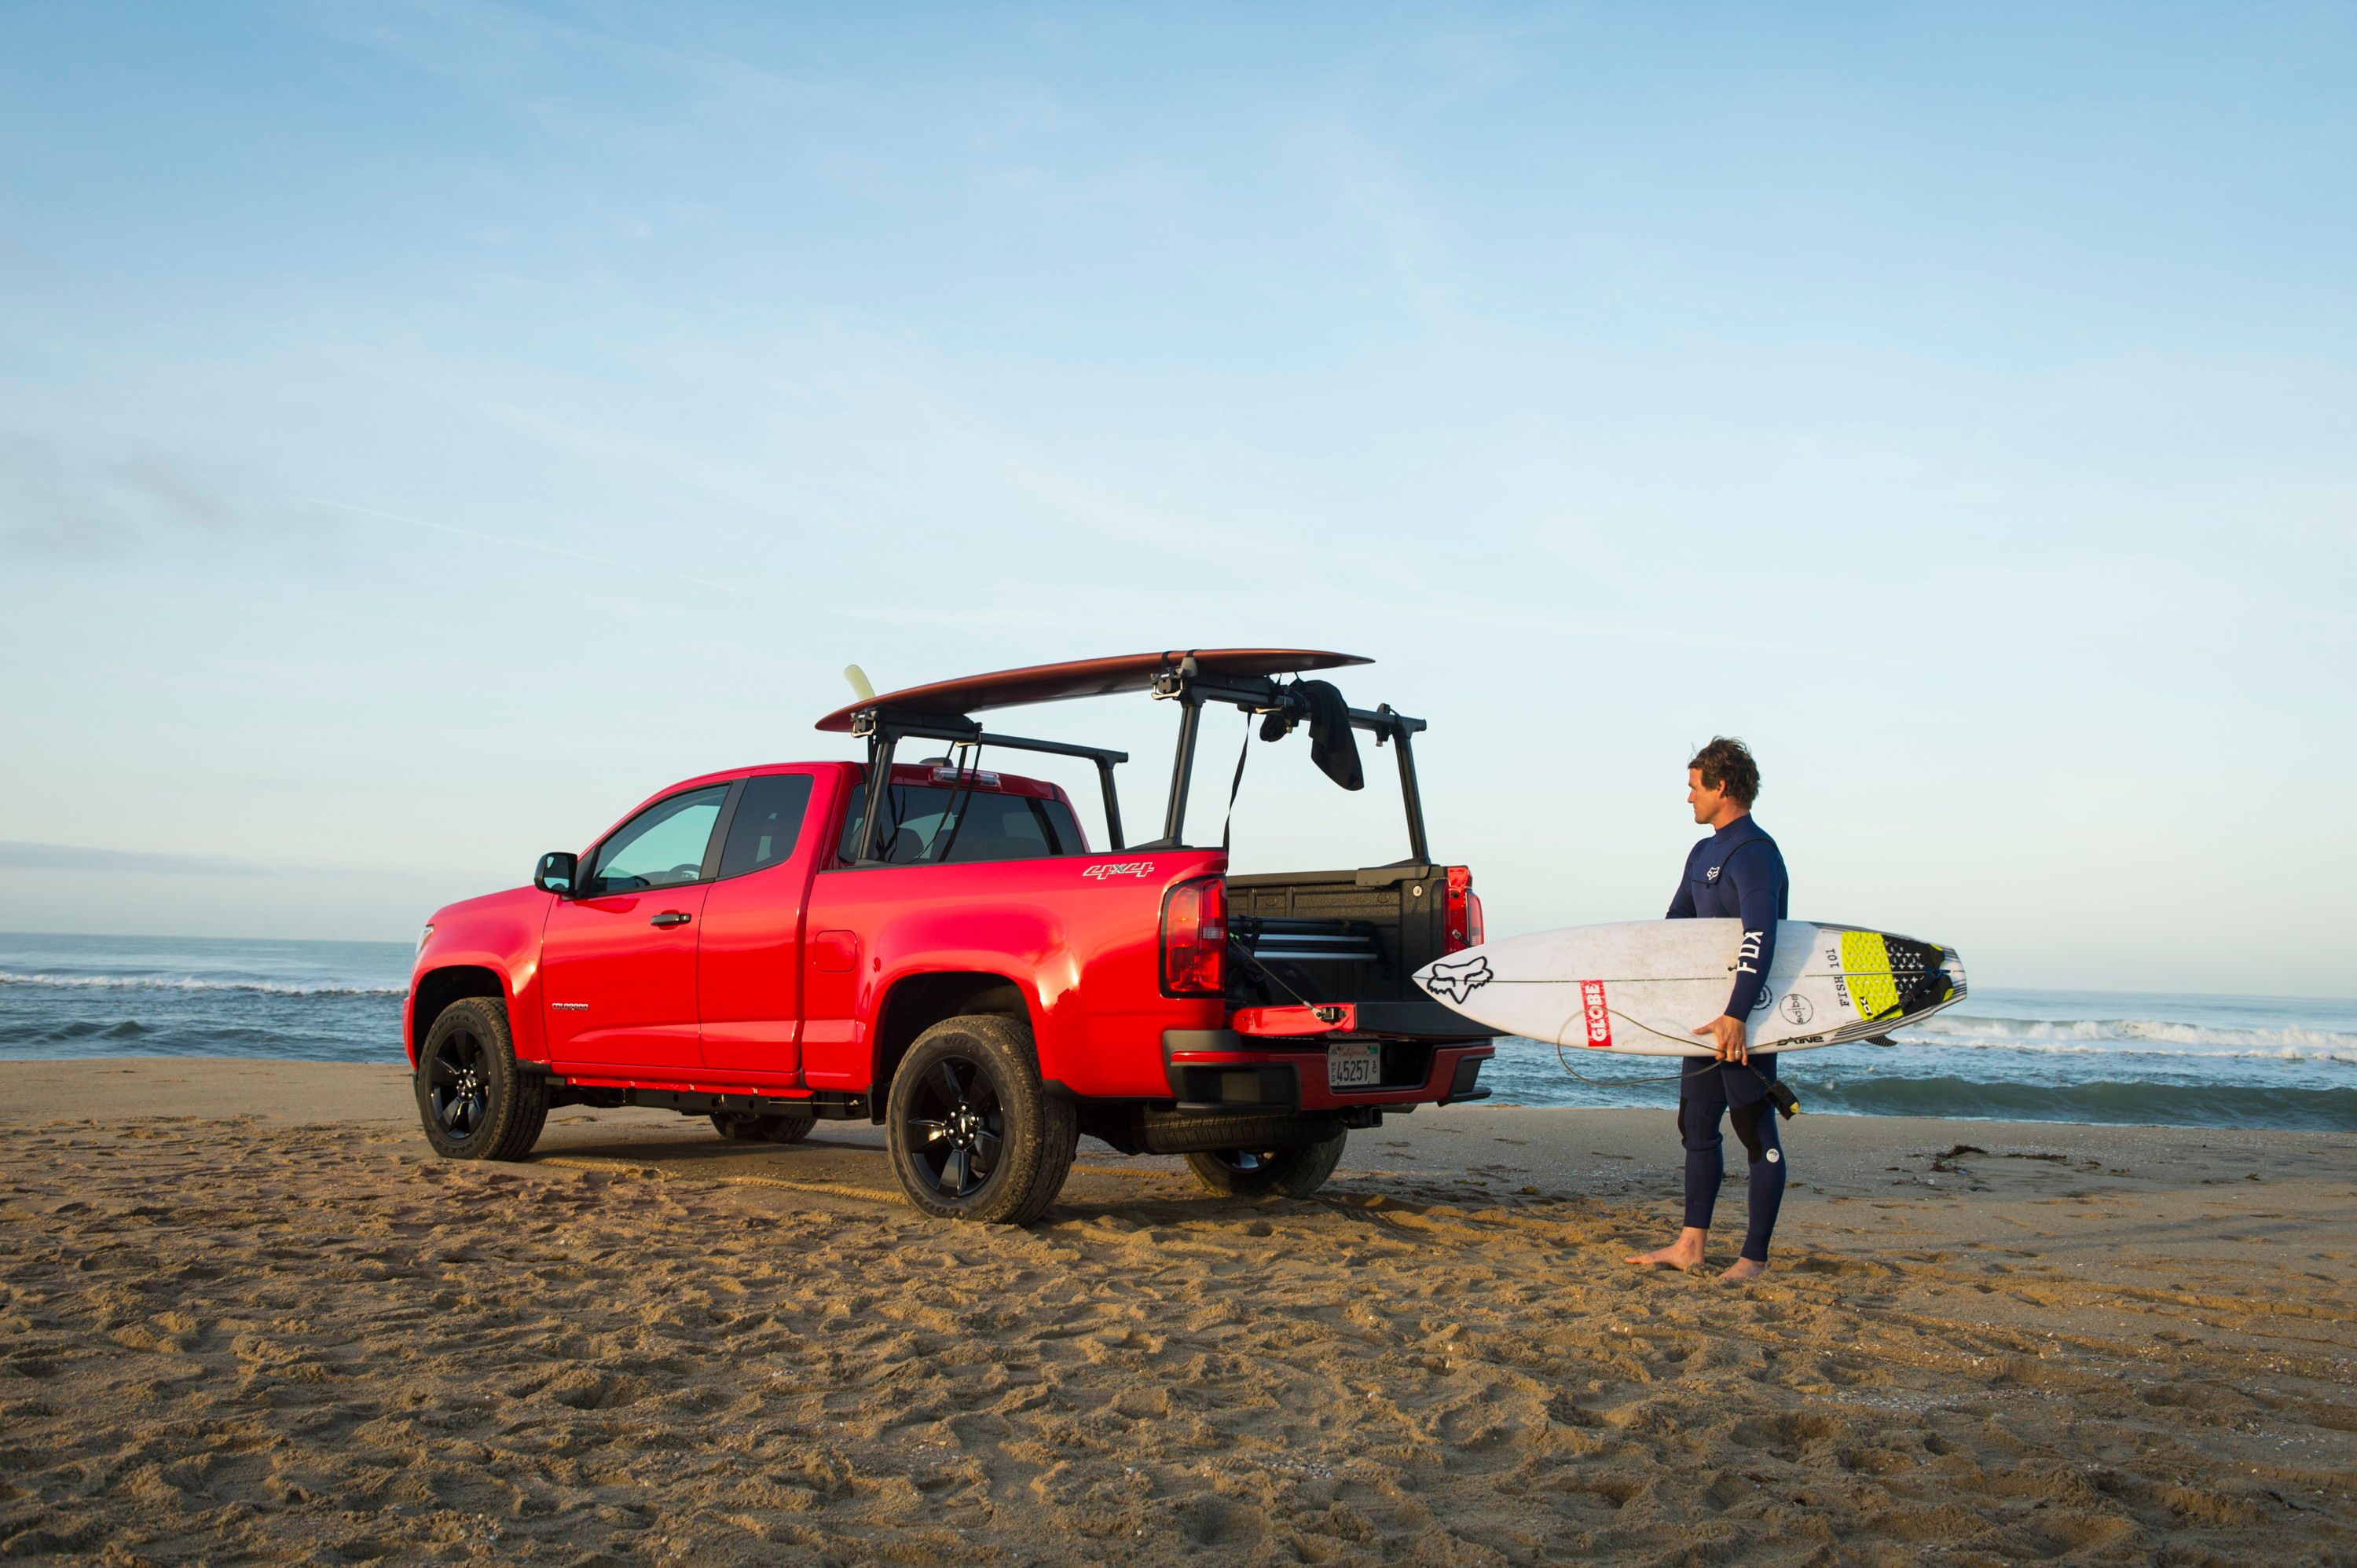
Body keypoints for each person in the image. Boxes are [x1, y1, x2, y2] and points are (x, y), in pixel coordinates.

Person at [1626, 737, 1790, 1281]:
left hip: (1743, 1022)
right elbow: (1679, 921)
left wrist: (1738, 1013)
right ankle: (1691, 1245)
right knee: (1696, 1125)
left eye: (1695, 786)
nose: (1688, 797)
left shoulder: (1754, 854)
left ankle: (1754, 1259)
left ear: (1722, 788)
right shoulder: (1703, 853)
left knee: (1755, 1131)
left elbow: (1760, 934)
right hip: (1701, 1022)